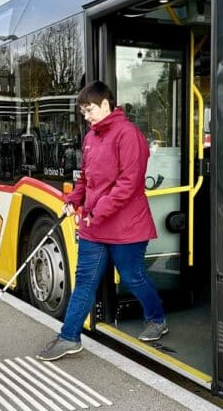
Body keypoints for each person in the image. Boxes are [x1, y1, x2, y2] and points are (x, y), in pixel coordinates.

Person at [36, 81, 167, 361]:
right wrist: (73, 201)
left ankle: (156, 318)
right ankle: (69, 337)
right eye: (83, 111)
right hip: (95, 227)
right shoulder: (91, 138)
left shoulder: (129, 135)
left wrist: (96, 211)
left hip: (127, 228)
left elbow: (128, 184)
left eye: (89, 110)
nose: (86, 116)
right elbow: (85, 180)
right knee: (84, 281)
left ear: (106, 105)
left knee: (133, 277)